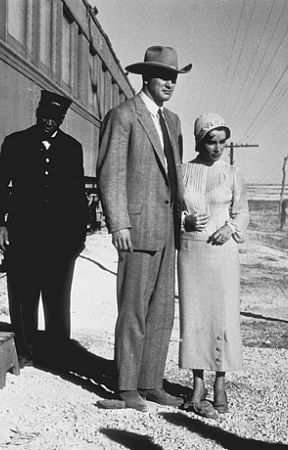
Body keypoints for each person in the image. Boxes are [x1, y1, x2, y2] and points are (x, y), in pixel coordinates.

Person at [97, 46, 191, 412]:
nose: (170, 83)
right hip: (136, 228)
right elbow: (110, 173)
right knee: (133, 309)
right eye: (163, 76)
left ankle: (151, 383)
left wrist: (184, 215)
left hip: (168, 230)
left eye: (174, 77)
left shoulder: (174, 122)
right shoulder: (123, 116)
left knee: (162, 310)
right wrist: (118, 221)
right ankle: (125, 388)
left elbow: (175, 174)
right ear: (145, 78)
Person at [0, 90, 89, 368]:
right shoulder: (16, 143)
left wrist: (78, 238)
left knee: (58, 294)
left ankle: (58, 352)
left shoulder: (72, 148)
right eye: (45, 116)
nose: (49, 122)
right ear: (37, 113)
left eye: (55, 118)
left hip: (61, 237)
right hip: (24, 233)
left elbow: (77, 196)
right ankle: (25, 350)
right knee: (23, 293)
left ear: (62, 119)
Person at [178, 113, 249, 418]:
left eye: (223, 142)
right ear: (199, 141)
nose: (218, 147)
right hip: (192, 252)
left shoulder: (232, 173)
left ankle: (220, 383)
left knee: (222, 317)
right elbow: (171, 210)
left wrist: (231, 228)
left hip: (223, 255)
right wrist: (186, 219)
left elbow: (243, 211)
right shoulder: (182, 172)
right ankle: (197, 384)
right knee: (194, 317)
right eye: (211, 141)